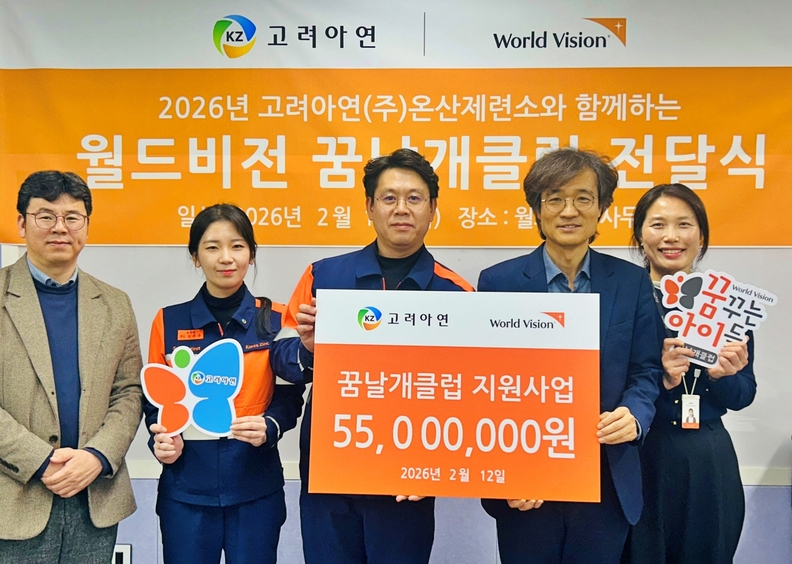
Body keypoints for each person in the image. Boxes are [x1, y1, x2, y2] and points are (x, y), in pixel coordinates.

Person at [270, 148, 474, 564]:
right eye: (389, 198)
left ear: (433, 209)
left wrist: (438, 464)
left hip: (408, 480)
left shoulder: (457, 293)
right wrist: (308, 349)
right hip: (331, 473)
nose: (401, 209)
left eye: (414, 198)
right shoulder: (323, 276)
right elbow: (281, 362)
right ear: (369, 206)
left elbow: (470, 393)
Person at [477, 148, 664, 564]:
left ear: (602, 209)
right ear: (536, 210)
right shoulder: (499, 282)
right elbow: (486, 383)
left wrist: (634, 415)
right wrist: (508, 469)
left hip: (605, 477)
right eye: (555, 199)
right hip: (527, 481)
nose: (569, 211)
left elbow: (646, 370)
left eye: (583, 198)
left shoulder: (631, 282)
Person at [144, 204, 305, 564]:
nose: (226, 258)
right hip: (185, 492)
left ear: (251, 253)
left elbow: (290, 396)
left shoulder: (277, 318)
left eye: (237, 246)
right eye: (212, 247)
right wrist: (161, 440)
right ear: (195, 257)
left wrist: (270, 425)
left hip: (255, 488)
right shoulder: (168, 321)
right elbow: (155, 399)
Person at [0, 171, 143, 563]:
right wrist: (41, 461)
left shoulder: (115, 303)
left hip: (94, 498)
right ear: (22, 223)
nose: (60, 227)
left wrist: (97, 455)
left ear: (87, 226)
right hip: (12, 497)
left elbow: (129, 392)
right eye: (46, 216)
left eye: (72, 217)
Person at [625, 183, 755, 564]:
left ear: (701, 237)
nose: (671, 236)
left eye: (684, 224)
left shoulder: (725, 303)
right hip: (639, 454)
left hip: (708, 459)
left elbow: (744, 393)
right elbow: (602, 385)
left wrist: (722, 376)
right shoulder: (622, 298)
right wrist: (659, 379)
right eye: (658, 225)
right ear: (640, 236)